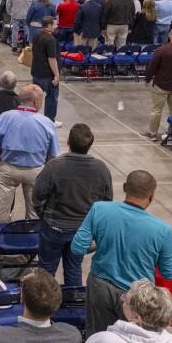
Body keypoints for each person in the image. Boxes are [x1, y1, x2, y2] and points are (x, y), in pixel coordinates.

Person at [71, 170, 172, 336]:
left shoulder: (100, 209)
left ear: (124, 187)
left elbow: (78, 248)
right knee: (135, 341)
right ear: (152, 194)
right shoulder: (163, 230)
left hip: (100, 287)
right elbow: (168, 273)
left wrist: (103, 240)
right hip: (137, 297)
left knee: (98, 337)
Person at [34, 123, 113, 291]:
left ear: (68, 141)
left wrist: (44, 215)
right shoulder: (102, 169)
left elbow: (38, 195)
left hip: (53, 227)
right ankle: (74, 308)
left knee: (46, 271)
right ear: (90, 144)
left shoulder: (54, 166)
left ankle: (42, 307)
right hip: (82, 230)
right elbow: (107, 201)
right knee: (74, 269)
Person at [0, 83, 61, 223]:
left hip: (8, 167)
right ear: (36, 101)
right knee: (34, 212)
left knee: (1, 211)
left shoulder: (5, 117)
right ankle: (31, 239)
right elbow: (52, 156)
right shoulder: (46, 123)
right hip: (35, 171)